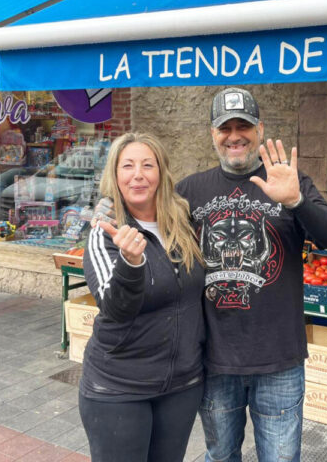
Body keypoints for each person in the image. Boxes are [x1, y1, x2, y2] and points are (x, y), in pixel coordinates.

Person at [176, 87, 327, 462]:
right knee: (220, 457)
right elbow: (155, 239)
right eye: (225, 127)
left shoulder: (289, 180)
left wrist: (296, 202)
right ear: (212, 134)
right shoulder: (190, 190)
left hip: (279, 359)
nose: (235, 135)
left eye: (244, 126)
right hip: (214, 358)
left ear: (260, 129)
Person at [79, 132, 205, 462]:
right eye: (128, 166)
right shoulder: (106, 234)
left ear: (161, 173)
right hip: (119, 389)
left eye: (148, 165)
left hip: (182, 385)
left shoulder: (183, 222)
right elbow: (114, 307)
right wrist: (130, 264)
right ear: (115, 175)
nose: (138, 174)